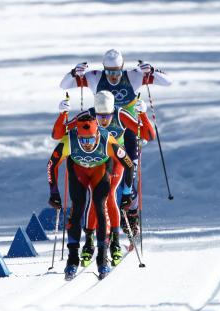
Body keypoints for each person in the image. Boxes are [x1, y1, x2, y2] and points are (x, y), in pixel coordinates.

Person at [59, 49, 171, 236]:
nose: (113, 76)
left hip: (128, 129)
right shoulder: (95, 78)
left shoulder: (133, 77)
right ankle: (104, 221)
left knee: (130, 171)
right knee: (104, 176)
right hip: (102, 131)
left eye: (117, 71)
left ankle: (132, 215)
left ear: (122, 68)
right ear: (104, 69)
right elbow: (64, 86)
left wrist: (152, 70)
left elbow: (168, 82)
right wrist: (74, 73)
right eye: (109, 72)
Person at [51, 91, 155, 266]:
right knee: (95, 199)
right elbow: (58, 134)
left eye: (107, 116)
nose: (103, 120)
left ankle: (113, 241)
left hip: (115, 159)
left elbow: (149, 135)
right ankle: (91, 241)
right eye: (99, 116)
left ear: (112, 111)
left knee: (109, 196)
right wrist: (62, 114)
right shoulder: (87, 116)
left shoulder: (121, 115)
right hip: (96, 161)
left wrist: (143, 114)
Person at [47, 114, 135, 279]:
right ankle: (72, 259)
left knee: (99, 206)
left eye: (90, 140)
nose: (87, 144)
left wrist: (126, 193)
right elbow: (52, 165)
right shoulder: (69, 140)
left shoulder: (107, 139)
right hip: (78, 170)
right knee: (78, 207)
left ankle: (102, 259)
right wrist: (54, 193)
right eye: (83, 140)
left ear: (97, 135)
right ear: (78, 136)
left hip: (100, 170)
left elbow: (128, 164)